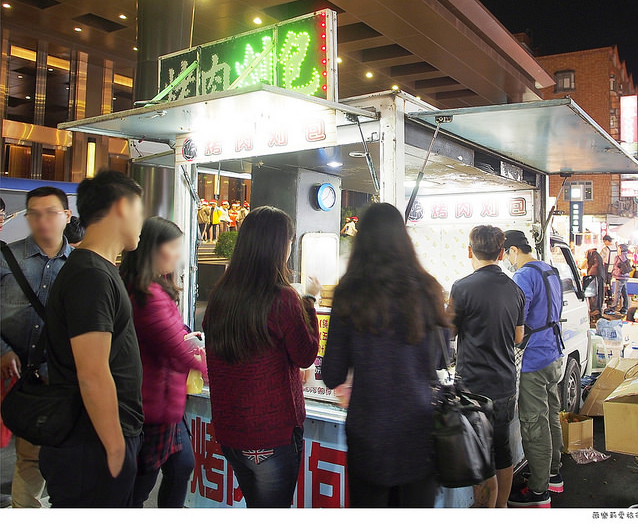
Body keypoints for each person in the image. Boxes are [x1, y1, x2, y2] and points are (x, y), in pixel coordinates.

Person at [322, 203, 447, 508]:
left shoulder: (349, 292)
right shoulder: (428, 289)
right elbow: (440, 361)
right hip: (419, 429)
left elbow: (332, 373)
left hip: (369, 431)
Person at [39, 171, 145, 507]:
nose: (142, 222)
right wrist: (115, 448)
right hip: (92, 446)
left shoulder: (98, 269)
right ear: (122, 207)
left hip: (97, 440)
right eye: (139, 210)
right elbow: (92, 373)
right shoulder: (90, 275)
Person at [203, 206, 320, 508]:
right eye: (290, 241)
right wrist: (310, 302)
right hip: (271, 435)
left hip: (231, 434)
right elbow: (306, 355)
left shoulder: (220, 296)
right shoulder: (282, 297)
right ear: (279, 246)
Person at [119, 217, 207, 508]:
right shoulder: (147, 294)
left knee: (181, 466)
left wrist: (186, 336)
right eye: (173, 247)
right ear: (153, 249)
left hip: (164, 402)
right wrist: (212, 369)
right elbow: (174, 348)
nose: (178, 254)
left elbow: (172, 333)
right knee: (139, 487)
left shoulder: (153, 286)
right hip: (152, 406)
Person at [0, 186, 73, 508]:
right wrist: (2, 350)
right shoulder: (6, 259)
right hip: (7, 374)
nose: (43, 221)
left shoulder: (80, 266)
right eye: (35, 214)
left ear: (67, 216)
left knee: (38, 456)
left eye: (51, 213)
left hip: (52, 381)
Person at [448, 225, 525, 508]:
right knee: (502, 451)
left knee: (479, 456)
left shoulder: (461, 288)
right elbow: (518, 337)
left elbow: (449, 332)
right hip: (505, 383)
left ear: (470, 251)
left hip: (473, 388)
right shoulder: (516, 290)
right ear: (501, 253)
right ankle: (501, 507)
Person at [504, 231, 564, 508]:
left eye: (506, 254)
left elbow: (518, 318)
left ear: (514, 250)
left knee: (533, 423)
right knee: (551, 416)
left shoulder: (523, 276)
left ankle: (539, 491)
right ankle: (553, 474)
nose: (506, 260)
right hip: (554, 353)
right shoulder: (549, 270)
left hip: (534, 358)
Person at [610, 244, 632, 316]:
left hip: (619, 277)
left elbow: (616, 266)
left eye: (619, 248)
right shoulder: (626, 256)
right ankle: (625, 308)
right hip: (625, 277)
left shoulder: (618, 257)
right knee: (624, 292)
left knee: (617, 292)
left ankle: (613, 308)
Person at [599, 235, 617, 309]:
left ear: (606, 241)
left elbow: (600, 258)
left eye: (604, 241)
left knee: (607, 283)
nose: (604, 243)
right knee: (613, 283)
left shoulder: (606, 249)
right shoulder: (616, 248)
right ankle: (612, 297)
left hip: (607, 268)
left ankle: (609, 297)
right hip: (615, 268)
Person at [585, 248, 603, 319]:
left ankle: (594, 312)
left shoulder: (593, 270)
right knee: (599, 295)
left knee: (593, 296)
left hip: (594, 277)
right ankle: (597, 312)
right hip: (600, 277)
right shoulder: (597, 257)